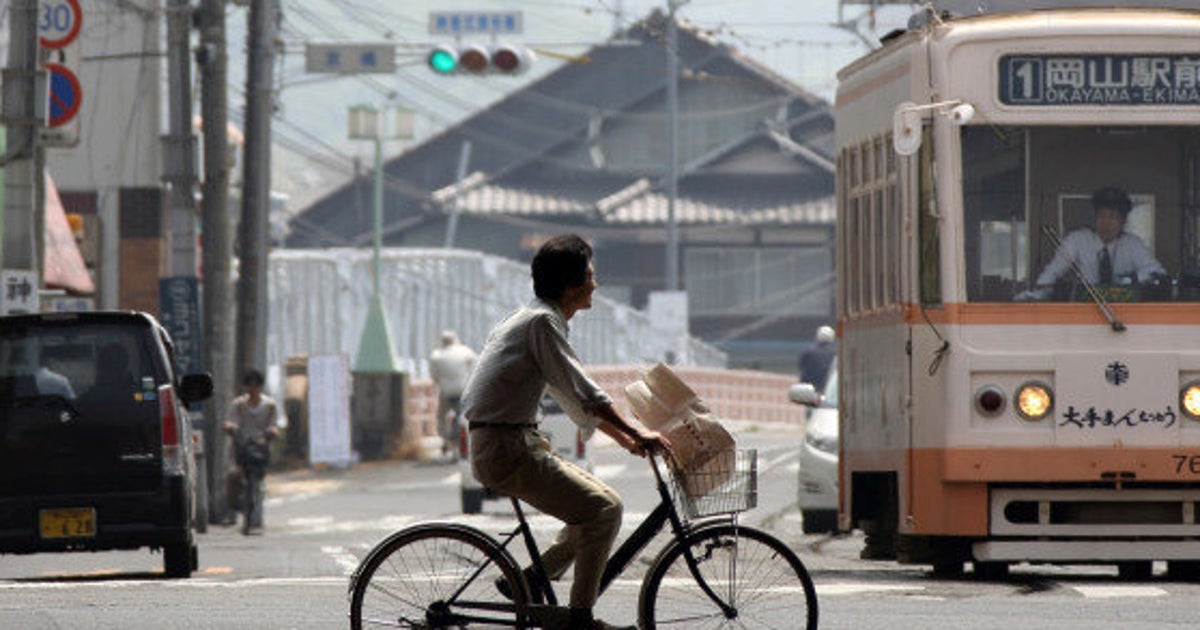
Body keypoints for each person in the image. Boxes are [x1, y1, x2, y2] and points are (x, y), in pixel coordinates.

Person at [462, 234, 672, 630]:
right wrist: (638, 432)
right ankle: (580, 617)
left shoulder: (532, 317)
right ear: (571, 285)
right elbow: (583, 390)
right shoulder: (542, 322)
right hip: (507, 447)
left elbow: (566, 390)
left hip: (509, 442)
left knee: (596, 504)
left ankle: (531, 579)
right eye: (591, 275)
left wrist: (625, 438)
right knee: (604, 510)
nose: (596, 283)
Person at [1016, 187, 1165, 301]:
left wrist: (1130, 279)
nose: (1106, 223)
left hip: (1122, 314)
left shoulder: (1132, 244)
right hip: (1083, 313)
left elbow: (1157, 273)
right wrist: (1038, 294)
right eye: (1102, 216)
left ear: (1123, 222)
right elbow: (1054, 271)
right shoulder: (1077, 240)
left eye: (1112, 217)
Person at [223, 369, 285, 535]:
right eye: (249, 385)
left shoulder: (270, 405)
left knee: (258, 482)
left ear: (260, 386)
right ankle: (232, 510)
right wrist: (231, 428)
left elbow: (274, 425)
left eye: (255, 385)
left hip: (260, 449)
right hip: (242, 447)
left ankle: (256, 517)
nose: (252, 389)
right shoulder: (238, 405)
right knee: (233, 476)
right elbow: (230, 422)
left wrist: (272, 432)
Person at [428, 329, 477, 458]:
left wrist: (440, 383)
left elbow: (434, 376)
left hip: (446, 392)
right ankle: (465, 442)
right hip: (463, 390)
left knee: (441, 417)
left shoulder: (436, 355)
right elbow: (475, 368)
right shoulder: (466, 351)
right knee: (464, 416)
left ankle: (447, 441)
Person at [798, 325, 836, 389]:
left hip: (811, 388)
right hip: (829, 387)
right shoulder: (835, 354)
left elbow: (802, 368)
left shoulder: (809, 353)